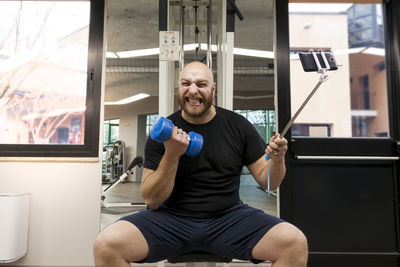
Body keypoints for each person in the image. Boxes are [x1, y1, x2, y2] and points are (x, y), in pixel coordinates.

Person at [94, 61, 308, 267]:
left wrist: (277, 159)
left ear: (213, 88)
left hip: (228, 218)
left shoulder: (238, 126)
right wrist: (172, 154)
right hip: (170, 219)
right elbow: (152, 199)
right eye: (186, 83)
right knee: (106, 245)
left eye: (201, 84)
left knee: (294, 243)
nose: (193, 91)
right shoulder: (163, 133)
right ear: (179, 87)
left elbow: (269, 181)